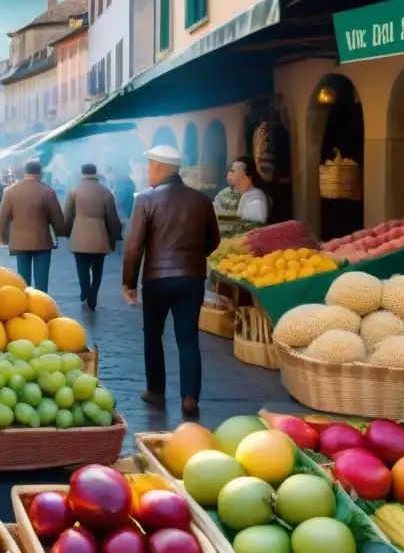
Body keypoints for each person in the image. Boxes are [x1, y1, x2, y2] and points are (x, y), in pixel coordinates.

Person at [122, 145, 220, 419]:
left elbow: (133, 246)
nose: (147, 171)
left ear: (159, 168)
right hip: (191, 279)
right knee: (188, 337)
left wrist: (129, 282)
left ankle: (156, 390)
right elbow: (214, 240)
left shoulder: (145, 199)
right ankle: (190, 397)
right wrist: (193, 258)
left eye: (149, 165)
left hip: (156, 280)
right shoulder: (201, 200)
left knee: (153, 334)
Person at [0, 160, 65, 292]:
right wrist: (61, 232)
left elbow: (2, 218)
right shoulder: (48, 192)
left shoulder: (10, 191)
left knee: (23, 280)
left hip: (20, 242)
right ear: (40, 173)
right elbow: (58, 219)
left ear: (25, 173)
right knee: (41, 281)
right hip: (42, 241)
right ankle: (41, 306)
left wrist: (0, 238)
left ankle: (25, 307)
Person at [62, 163, 122, 311]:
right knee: (97, 268)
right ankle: (93, 293)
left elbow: (67, 217)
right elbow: (112, 218)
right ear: (96, 174)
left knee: (82, 267)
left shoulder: (74, 192)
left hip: (79, 236)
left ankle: (84, 290)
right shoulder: (105, 192)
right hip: (99, 236)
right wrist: (115, 236)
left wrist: (68, 232)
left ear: (82, 174)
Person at [226, 155, 271, 224]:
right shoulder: (246, 194)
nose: (232, 178)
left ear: (248, 177)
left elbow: (252, 228)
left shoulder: (256, 198)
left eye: (235, 172)